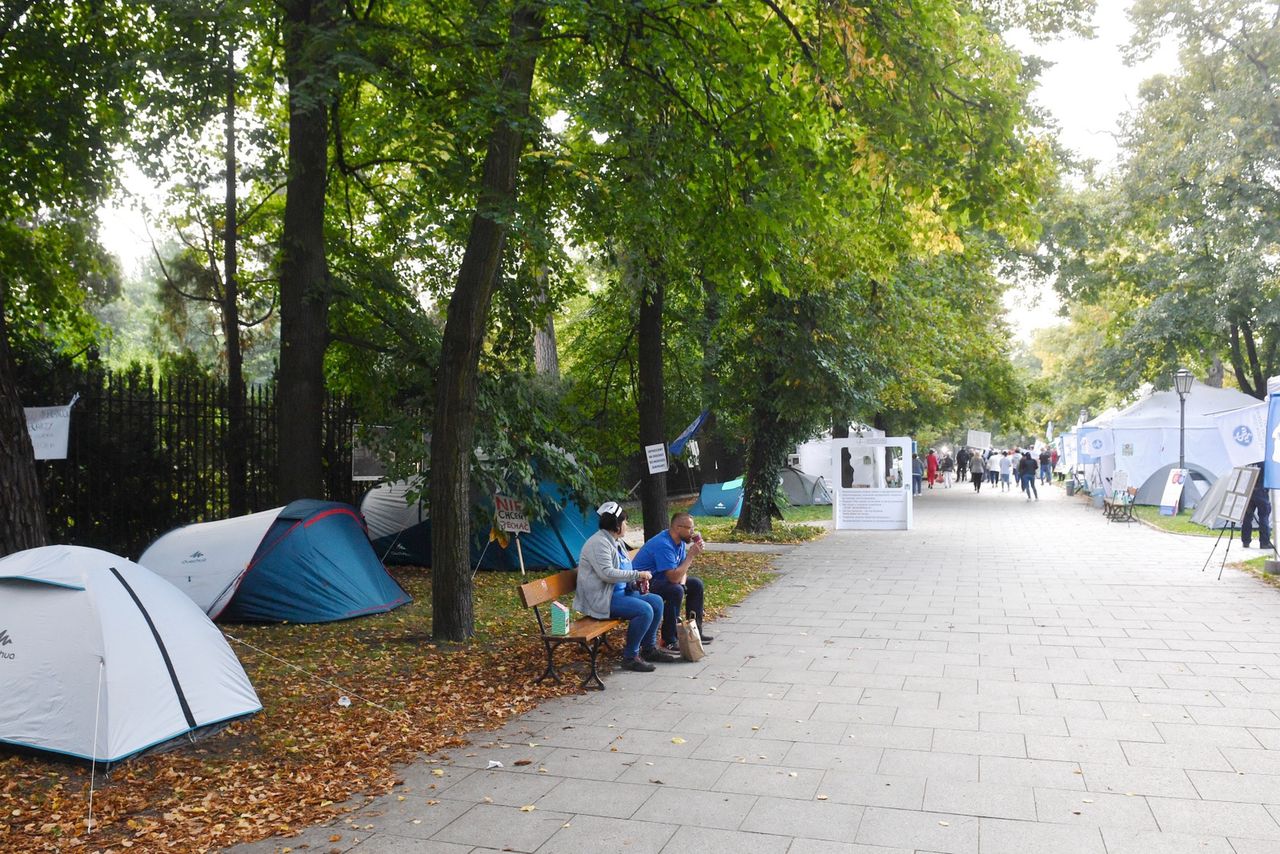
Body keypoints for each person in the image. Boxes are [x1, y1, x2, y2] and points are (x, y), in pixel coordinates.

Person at [574, 502, 679, 672]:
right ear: (616, 524)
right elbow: (607, 573)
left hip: (620, 594)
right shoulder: (598, 543)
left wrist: (635, 583)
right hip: (602, 599)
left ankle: (649, 649)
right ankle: (630, 656)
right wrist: (637, 575)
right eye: (625, 522)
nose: (627, 525)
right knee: (644, 610)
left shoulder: (617, 542)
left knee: (657, 601)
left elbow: (624, 570)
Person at [633, 511, 712, 651]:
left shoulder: (680, 541)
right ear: (677, 528)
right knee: (675, 591)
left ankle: (694, 631)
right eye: (690, 528)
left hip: (661, 578)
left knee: (695, 585)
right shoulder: (664, 544)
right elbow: (673, 577)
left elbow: (681, 569)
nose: (692, 532)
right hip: (642, 583)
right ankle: (669, 639)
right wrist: (691, 556)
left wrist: (682, 583)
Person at [1242, 468, 1273, 550]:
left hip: (1249, 491)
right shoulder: (1266, 462)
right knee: (1264, 517)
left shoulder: (1250, 461)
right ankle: (1264, 543)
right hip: (1261, 491)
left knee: (1247, 518)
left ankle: (1245, 541)